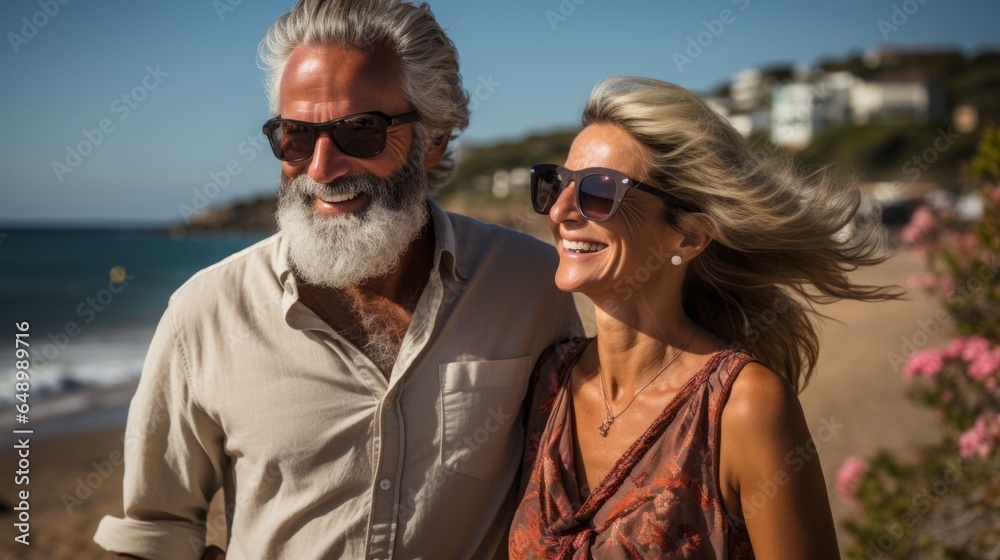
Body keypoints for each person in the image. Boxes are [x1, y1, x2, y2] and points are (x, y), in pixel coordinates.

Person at [93, 1, 580, 558]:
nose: (321, 167)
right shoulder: (204, 312)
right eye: (296, 135)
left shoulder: (529, 284)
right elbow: (154, 533)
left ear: (436, 139)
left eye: (361, 131)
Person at [509, 77, 900, 558]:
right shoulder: (546, 383)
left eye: (598, 191)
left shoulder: (744, 408)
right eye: (557, 183)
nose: (562, 210)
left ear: (688, 237)